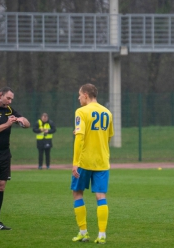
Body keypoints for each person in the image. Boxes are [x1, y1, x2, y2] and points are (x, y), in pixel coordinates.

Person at [71, 83, 114, 244]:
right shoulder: (107, 113)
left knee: (77, 193)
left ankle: (83, 232)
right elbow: (108, 137)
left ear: (86, 95)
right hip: (102, 161)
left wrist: (75, 162)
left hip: (84, 161)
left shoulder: (81, 112)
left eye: (80, 94)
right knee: (101, 196)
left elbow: (79, 138)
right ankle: (102, 235)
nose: (79, 97)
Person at [0, 86, 30, 230]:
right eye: (8, 98)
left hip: (4, 154)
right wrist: (7, 124)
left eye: (11, 99)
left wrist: (22, 120)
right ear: (0, 95)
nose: (10, 101)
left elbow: (27, 124)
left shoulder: (10, 110)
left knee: (1, 185)